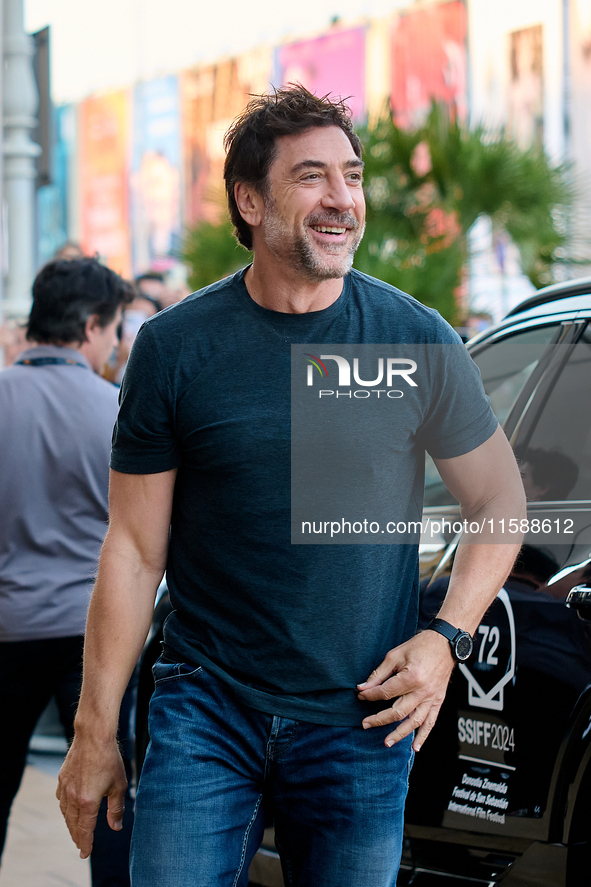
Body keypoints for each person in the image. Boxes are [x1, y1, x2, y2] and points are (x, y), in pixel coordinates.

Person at [57, 87, 525, 887]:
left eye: (351, 175)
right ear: (250, 198)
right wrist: (94, 732)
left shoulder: (415, 338)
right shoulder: (174, 349)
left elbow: (498, 505)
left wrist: (443, 638)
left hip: (362, 719)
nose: (342, 197)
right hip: (207, 708)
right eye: (312, 176)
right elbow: (135, 549)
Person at [0, 258, 134, 885]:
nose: (113, 345)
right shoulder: (116, 410)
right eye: (112, 331)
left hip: (7, 629)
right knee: (109, 795)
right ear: (89, 326)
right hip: (94, 634)